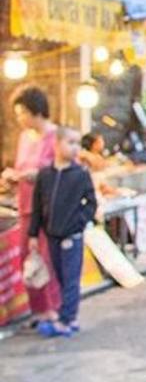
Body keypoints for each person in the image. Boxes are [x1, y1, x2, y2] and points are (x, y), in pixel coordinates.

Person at [28, 127, 96, 338]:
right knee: (59, 277)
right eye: (70, 142)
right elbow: (37, 205)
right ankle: (67, 316)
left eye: (77, 143)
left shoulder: (81, 174)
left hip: (72, 236)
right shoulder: (45, 175)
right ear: (56, 144)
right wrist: (33, 233)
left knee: (71, 278)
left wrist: (79, 223)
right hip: (52, 236)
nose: (75, 147)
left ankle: (66, 319)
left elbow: (91, 203)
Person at [2, 87, 60, 325]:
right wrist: (13, 177)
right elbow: (21, 167)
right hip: (25, 205)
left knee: (47, 259)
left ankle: (53, 310)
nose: (19, 119)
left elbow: (62, 171)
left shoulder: (56, 136)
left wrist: (34, 174)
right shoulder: (25, 138)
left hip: (48, 207)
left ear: (36, 111)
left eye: (22, 113)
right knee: (28, 258)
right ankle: (37, 310)